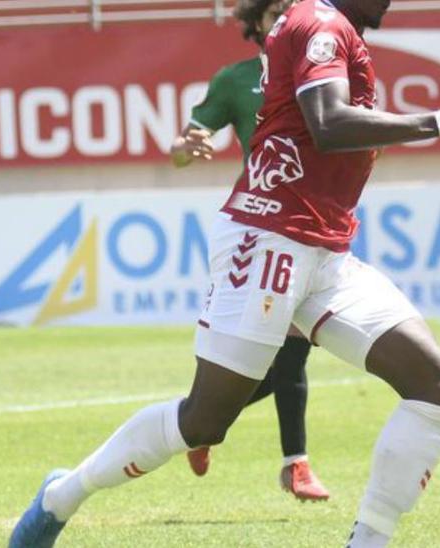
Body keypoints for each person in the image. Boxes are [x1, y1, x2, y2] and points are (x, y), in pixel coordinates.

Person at [8, 0, 440, 545]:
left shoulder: (334, 27)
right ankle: (60, 497)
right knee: (204, 422)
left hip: (325, 252)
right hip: (268, 240)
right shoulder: (322, 23)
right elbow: (328, 123)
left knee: (437, 385)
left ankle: (368, 540)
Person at [169, 0, 330, 502]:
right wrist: (185, 148)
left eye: (292, 8)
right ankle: (294, 464)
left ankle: (201, 421)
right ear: (256, 22)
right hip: (262, 229)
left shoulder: (322, 71)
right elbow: (184, 146)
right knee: (289, 354)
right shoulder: (236, 81)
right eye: (274, 10)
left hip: (319, 226)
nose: (284, 18)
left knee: (284, 357)